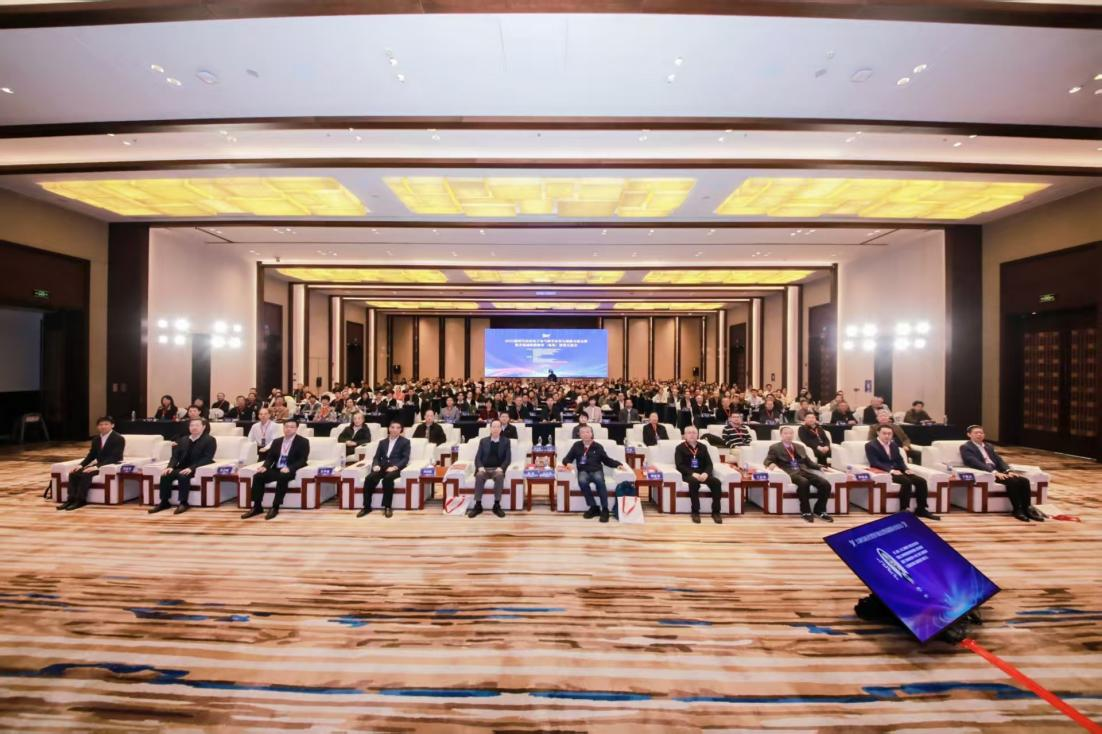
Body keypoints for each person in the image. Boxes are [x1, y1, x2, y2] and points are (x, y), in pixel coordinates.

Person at [960, 425, 1044, 522]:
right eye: (976, 433)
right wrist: (994, 472)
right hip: (987, 473)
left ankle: (1028, 509)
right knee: (1013, 482)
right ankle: (1017, 510)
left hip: (999, 472)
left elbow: (999, 460)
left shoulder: (988, 446)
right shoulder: (966, 447)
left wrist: (1008, 471)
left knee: (1024, 481)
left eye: (981, 433)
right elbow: (974, 462)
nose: (979, 435)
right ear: (969, 434)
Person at [865, 425, 940, 520]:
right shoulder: (870, 445)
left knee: (921, 481)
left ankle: (921, 509)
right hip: (884, 471)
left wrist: (905, 469)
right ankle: (903, 509)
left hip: (898, 470)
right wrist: (891, 471)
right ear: (878, 433)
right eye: (884, 433)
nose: (887, 436)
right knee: (906, 482)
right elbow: (875, 462)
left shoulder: (893, 444)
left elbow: (899, 460)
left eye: (889, 434)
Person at [241, 419, 310, 521]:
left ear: (296, 429)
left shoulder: (303, 442)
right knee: (258, 476)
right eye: (286, 426)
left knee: (283, 477)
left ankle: (275, 507)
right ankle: (257, 506)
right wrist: (265, 466)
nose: (288, 429)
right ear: (283, 428)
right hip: (276, 469)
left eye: (292, 427)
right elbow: (270, 457)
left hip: (289, 470)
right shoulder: (277, 441)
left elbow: (302, 460)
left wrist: (290, 468)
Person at [764, 426, 832, 523]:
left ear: (793, 435)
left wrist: (819, 467)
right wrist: (772, 465)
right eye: (786, 433)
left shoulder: (800, 447)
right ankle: (806, 511)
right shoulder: (775, 447)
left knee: (825, 484)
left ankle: (820, 510)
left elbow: (808, 462)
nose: (788, 435)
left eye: (790, 433)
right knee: (804, 482)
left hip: (803, 471)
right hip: (789, 472)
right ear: (781, 435)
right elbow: (768, 460)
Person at [148, 418, 216, 514]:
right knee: (166, 475)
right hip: (182, 467)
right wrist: (170, 467)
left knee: (182, 475)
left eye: (197, 425)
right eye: (192, 425)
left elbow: (207, 458)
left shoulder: (209, 440)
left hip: (197, 468)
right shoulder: (183, 440)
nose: (194, 428)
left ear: (203, 427)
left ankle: (183, 503)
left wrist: (191, 468)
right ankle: (164, 502)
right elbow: (175, 456)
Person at [559, 425, 624, 523]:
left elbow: (606, 460)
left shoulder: (598, 446)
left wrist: (618, 464)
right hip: (583, 471)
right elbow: (567, 458)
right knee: (582, 481)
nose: (585, 434)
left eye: (587, 432)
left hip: (596, 470)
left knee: (600, 481)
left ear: (591, 434)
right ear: (579, 434)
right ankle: (594, 507)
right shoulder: (576, 445)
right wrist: (567, 463)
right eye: (582, 432)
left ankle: (605, 509)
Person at [59, 416, 125, 511]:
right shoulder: (96, 439)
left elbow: (115, 457)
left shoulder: (118, 438)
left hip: (110, 465)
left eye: (106, 424)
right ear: (97, 427)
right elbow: (91, 455)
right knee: (73, 474)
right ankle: (71, 499)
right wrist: (80, 465)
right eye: (101, 424)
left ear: (112, 425)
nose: (103, 426)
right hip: (98, 464)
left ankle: (81, 500)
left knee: (86, 474)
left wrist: (97, 467)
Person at [358, 421, 411, 518]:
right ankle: (366, 507)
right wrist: (375, 465)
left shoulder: (405, 442)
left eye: (398, 428)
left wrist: (394, 467)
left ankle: (387, 507)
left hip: (396, 468)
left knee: (387, 479)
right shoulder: (382, 442)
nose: (395, 430)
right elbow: (376, 457)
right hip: (382, 467)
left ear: (401, 430)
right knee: (369, 478)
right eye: (392, 427)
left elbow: (405, 458)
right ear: (389, 429)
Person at [675, 425, 723, 524]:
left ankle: (716, 512)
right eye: (689, 433)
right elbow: (679, 465)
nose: (692, 435)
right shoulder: (680, 448)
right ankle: (695, 511)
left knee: (716, 482)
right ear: (684, 435)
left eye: (694, 433)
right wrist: (692, 473)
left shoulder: (703, 447)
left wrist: (706, 473)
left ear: (697, 435)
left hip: (703, 474)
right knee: (694, 482)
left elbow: (709, 464)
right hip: (689, 475)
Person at [469, 419, 511, 518]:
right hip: (484, 469)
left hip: (497, 470)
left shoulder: (506, 441)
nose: (495, 429)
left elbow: (508, 459)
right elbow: (478, 458)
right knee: (479, 475)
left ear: (501, 429)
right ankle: (478, 505)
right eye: (493, 427)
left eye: (498, 427)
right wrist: (480, 467)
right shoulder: (483, 441)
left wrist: (501, 468)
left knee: (500, 476)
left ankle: (496, 505)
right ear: (490, 429)